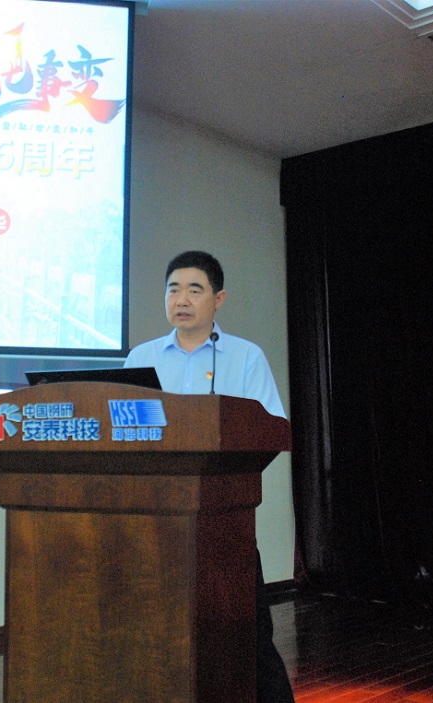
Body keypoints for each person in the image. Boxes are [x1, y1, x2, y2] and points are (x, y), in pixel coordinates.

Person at [124, 250, 295, 703]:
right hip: (155, 517)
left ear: (218, 299)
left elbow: (272, 429)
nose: (181, 299)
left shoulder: (244, 356)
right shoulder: (141, 357)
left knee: (247, 636)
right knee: (158, 632)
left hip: (224, 519)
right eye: (173, 289)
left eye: (194, 290)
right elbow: (123, 430)